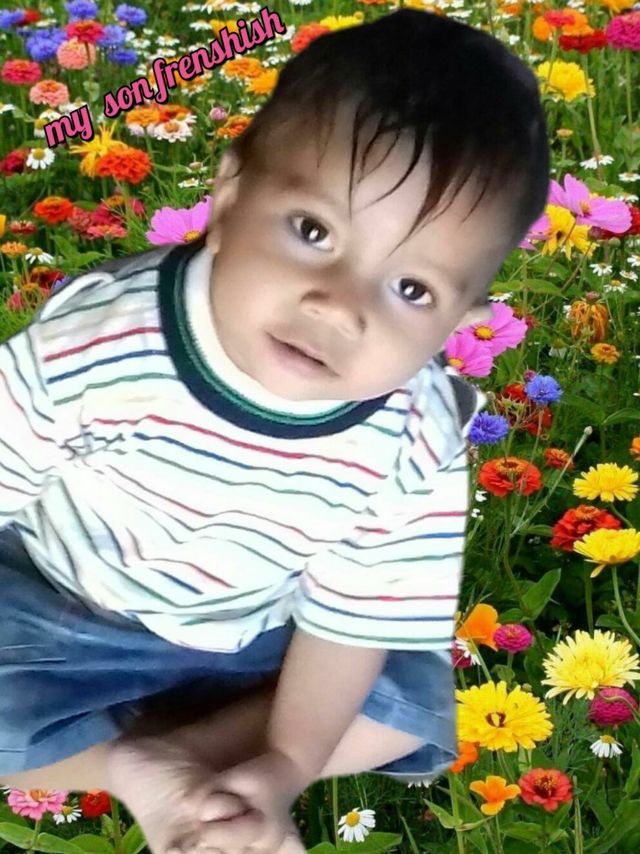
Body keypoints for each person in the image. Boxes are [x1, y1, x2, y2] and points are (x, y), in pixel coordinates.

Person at [0, 7, 550, 854]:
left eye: (411, 290)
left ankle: (188, 753)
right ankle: (136, 762)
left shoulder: (416, 438)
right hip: (65, 604)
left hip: (263, 639)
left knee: (404, 706)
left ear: (458, 324)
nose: (340, 306)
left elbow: (352, 623)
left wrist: (286, 765)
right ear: (227, 198)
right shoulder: (101, 344)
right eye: (313, 232)